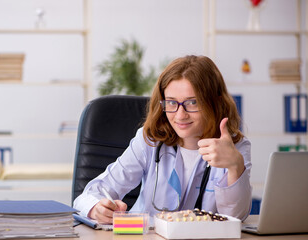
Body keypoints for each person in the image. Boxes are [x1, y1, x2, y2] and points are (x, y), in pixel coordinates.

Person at [73, 55, 252, 224]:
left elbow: (235, 219)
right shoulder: (149, 142)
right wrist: (96, 208)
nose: (180, 115)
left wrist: (235, 166)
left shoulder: (235, 148)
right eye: (172, 103)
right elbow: (88, 195)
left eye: (192, 103)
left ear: (215, 102)